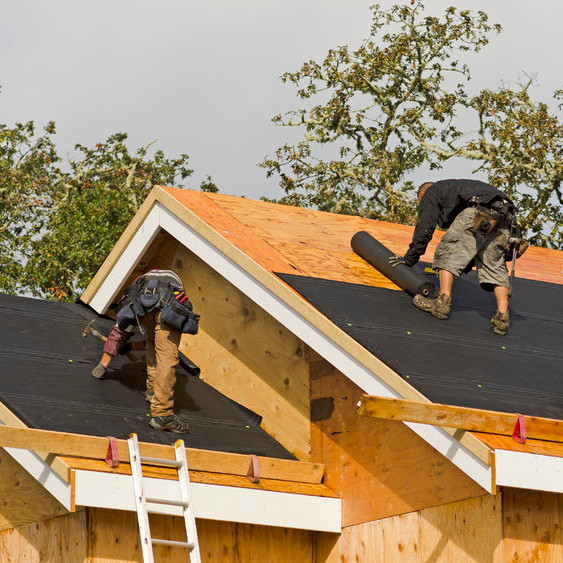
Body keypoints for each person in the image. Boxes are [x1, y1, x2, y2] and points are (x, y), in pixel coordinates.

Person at [389, 179, 517, 336]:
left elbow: (425, 225)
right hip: (507, 219)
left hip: (480, 211)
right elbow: (471, 246)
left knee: (447, 252)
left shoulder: (432, 191)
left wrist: (410, 257)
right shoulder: (462, 190)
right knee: (495, 267)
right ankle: (502, 320)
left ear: (422, 195)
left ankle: (441, 304)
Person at [91, 269, 200, 432]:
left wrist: (102, 366)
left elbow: (119, 331)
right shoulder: (172, 285)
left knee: (151, 341)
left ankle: (152, 392)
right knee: (166, 356)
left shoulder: (138, 290)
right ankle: (163, 413)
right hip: (170, 305)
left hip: (147, 304)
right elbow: (161, 345)